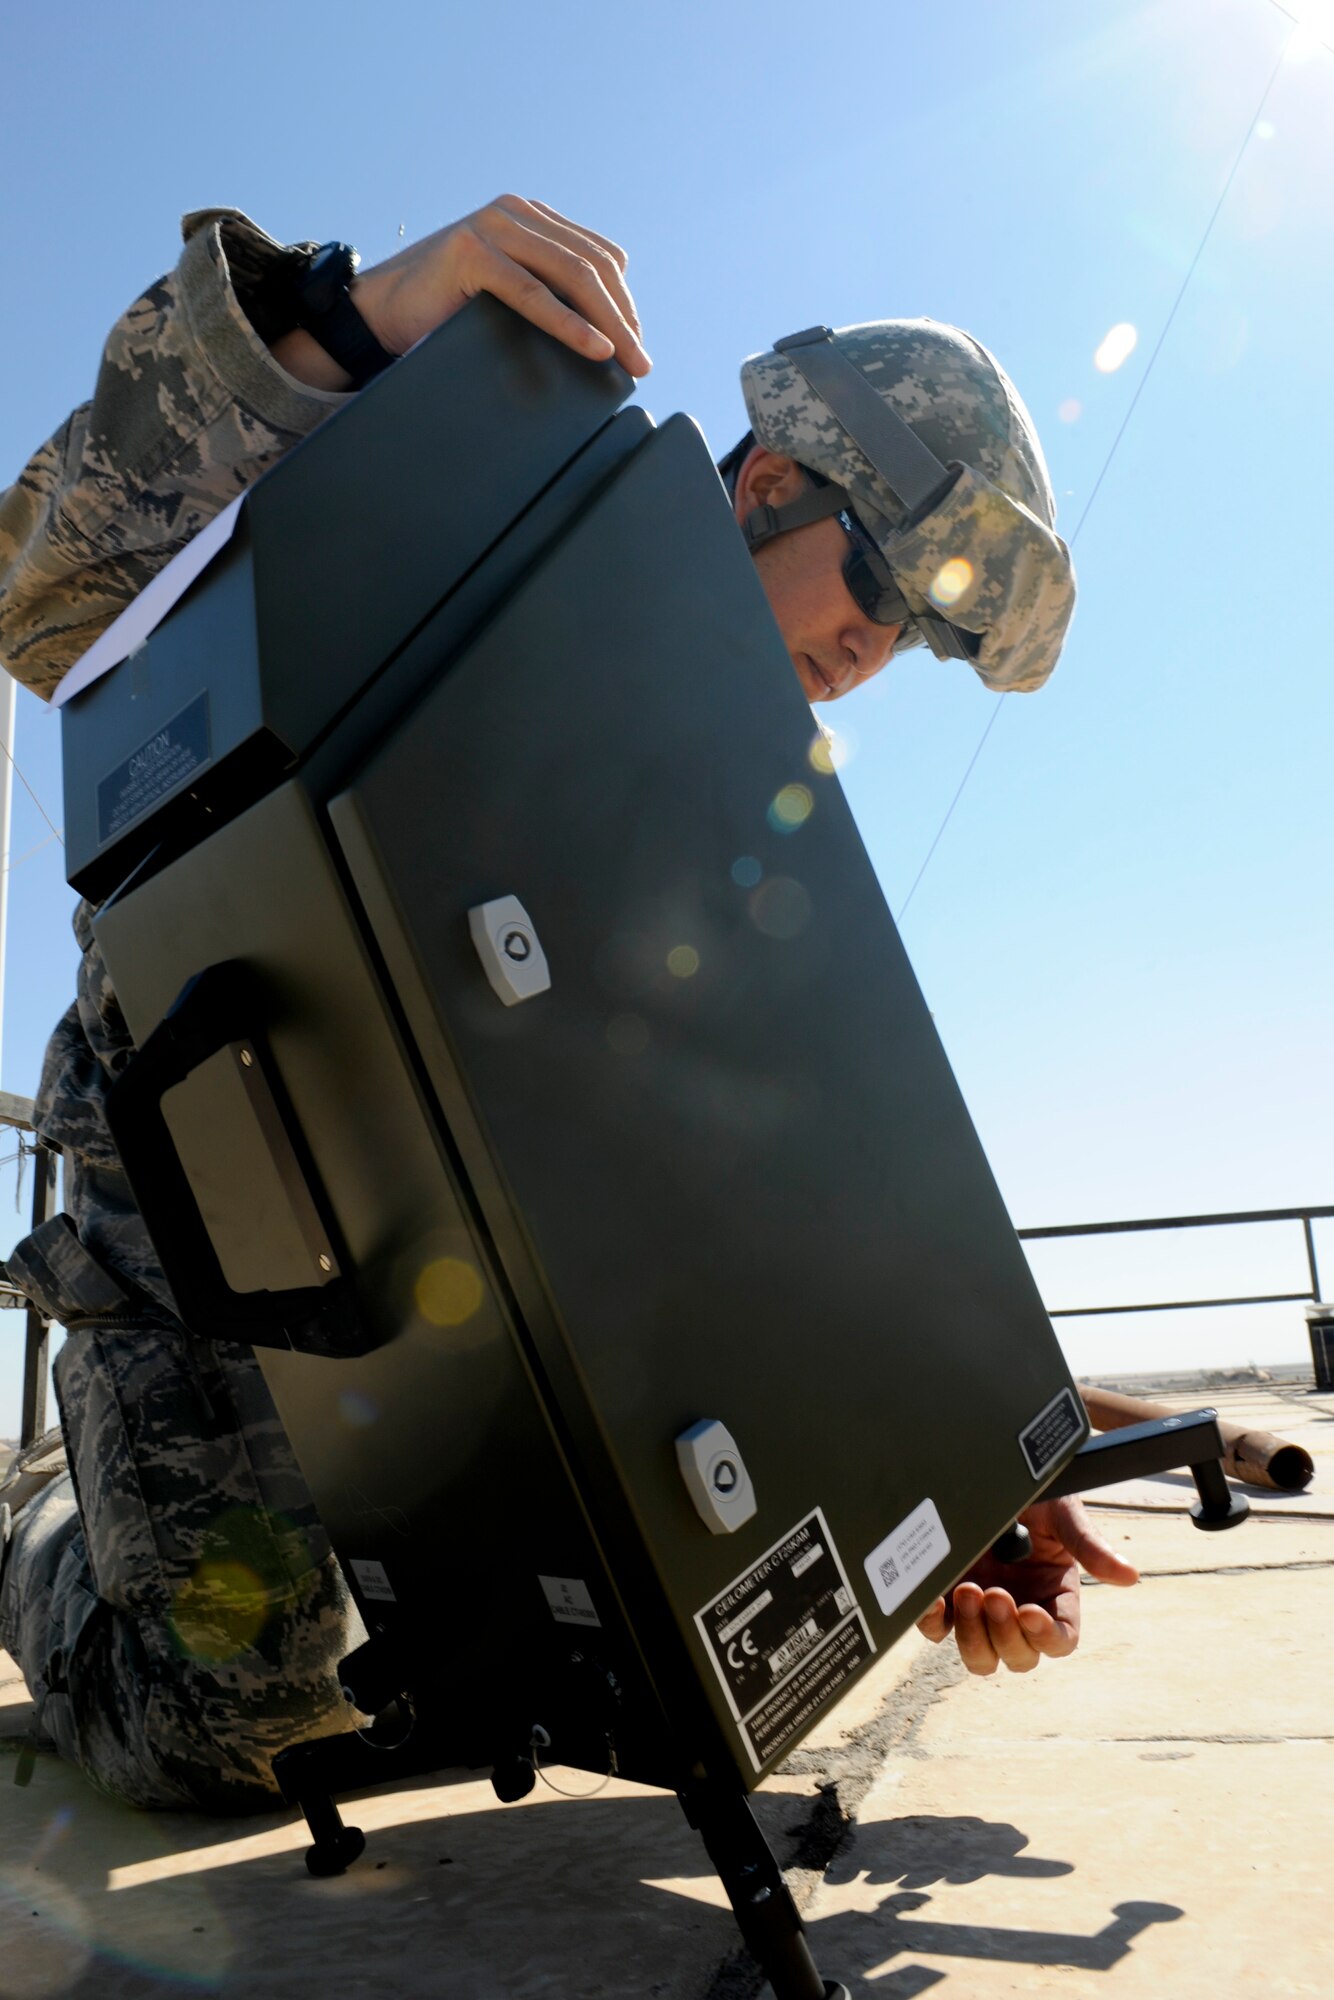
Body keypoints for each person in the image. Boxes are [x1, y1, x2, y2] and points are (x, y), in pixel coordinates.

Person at [0, 196, 1138, 1814]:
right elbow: (46, 597)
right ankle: (35, 1522)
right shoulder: (468, 507)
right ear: (766, 486)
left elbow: (773, 1188)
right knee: (221, 1707)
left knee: (435, 1676)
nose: (877, 648)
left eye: (928, 638)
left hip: (454, 1225)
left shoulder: (745, 834)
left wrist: (953, 1468)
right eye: (884, 582)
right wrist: (348, 322)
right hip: (206, 1123)